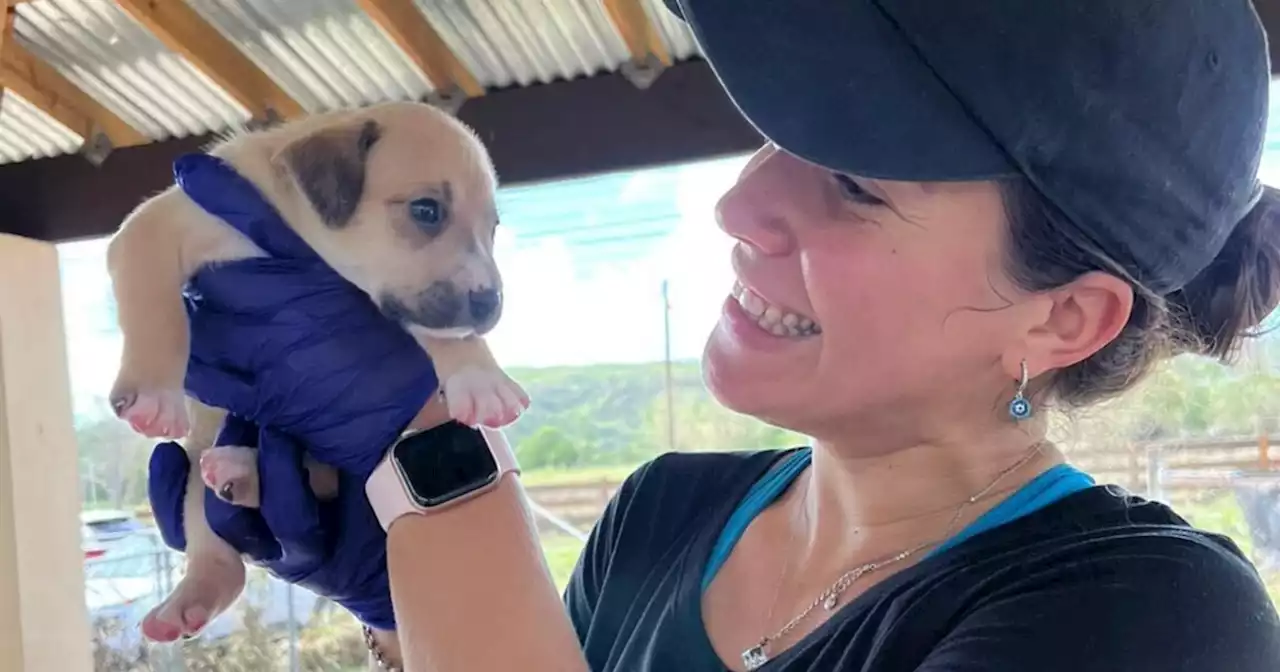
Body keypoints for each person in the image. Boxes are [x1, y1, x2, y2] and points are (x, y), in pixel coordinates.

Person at [146, 0, 1280, 670]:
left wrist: (435, 468)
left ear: (1064, 315)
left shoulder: (1155, 620)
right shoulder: (661, 512)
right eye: (771, 138)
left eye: (851, 182)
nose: (740, 209)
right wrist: (408, 591)